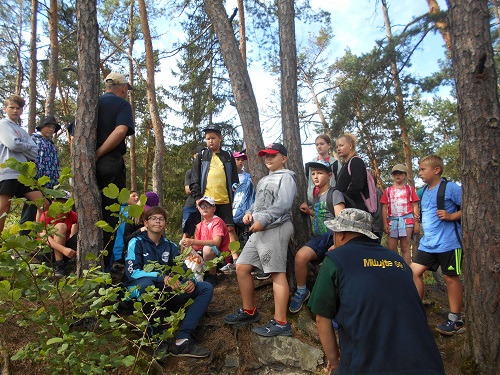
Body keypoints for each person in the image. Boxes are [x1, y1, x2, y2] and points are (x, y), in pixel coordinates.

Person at [308, 209, 445, 374]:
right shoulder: (398, 261)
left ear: (341, 234)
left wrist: (334, 360)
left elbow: (322, 318)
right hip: (428, 364)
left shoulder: (336, 259)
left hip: (367, 367)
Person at [224, 143, 296, 337]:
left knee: (276, 272)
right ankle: (249, 311)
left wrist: (262, 220)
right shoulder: (264, 179)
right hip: (260, 229)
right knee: (242, 266)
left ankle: (281, 323)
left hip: (277, 228)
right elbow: (258, 203)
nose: (269, 159)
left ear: (284, 158)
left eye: (273, 155)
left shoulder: (287, 177)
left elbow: (283, 204)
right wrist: (249, 213)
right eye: (266, 155)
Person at [123, 206, 212, 358]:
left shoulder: (170, 246)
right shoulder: (136, 242)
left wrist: (190, 280)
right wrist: (160, 277)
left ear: (165, 224)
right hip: (137, 292)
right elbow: (132, 272)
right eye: (153, 218)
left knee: (205, 287)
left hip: (165, 293)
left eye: (161, 219)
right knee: (146, 285)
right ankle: (157, 340)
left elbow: (183, 269)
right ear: (145, 223)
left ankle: (182, 340)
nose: (158, 221)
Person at [411, 155, 463, 336]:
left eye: (423, 169)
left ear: (436, 170)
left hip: (450, 243)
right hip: (428, 243)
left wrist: (451, 216)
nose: (420, 173)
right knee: (413, 271)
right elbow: (428, 211)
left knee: (450, 278)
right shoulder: (423, 192)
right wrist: (421, 217)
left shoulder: (451, 188)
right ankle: (415, 312)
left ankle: (455, 319)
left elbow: (469, 207)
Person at [289, 160, 345, 313]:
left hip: (331, 237)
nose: (315, 176)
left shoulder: (335, 193)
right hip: (318, 238)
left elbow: (341, 220)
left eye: (320, 173)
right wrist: (310, 212)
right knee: (300, 257)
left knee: (331, 276)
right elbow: (322, 214)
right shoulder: (316, 195)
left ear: (329, 175)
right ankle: (302, 290)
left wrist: (338, 244)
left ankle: (336, 309)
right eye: (313, 173)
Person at [97, 72, 135, 269]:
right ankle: (103, 267)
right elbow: (121, 131)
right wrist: (100, 153)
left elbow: (72, 132)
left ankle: (89, 266)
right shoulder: (122, 104)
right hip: (110, 163)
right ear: (122, 88)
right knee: (110, 216)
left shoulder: (91, 103)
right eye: (127, 89)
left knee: (90, 213)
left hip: (89, 166)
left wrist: (86, 159)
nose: (127, 93)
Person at [0, 95, 48, 233]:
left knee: (43, 204)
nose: (15, 111)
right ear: (5, 108)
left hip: (24, 174)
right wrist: (24, 146)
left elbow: (34, 152)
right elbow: (12, 144)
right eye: (11, 107)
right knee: (3, 209)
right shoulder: (3, 124)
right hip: (8, 171)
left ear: (22, 110)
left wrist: (22, 145)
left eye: (18, 108)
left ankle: (39, 241)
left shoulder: (21, 130)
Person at [189, 124, 239, 249]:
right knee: (208, 230)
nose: (210, 141)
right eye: (208, 138)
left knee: (230, 229)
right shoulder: (202, 156)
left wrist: (235, 198)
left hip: (225, 199)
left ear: (220, 138)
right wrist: (197, 198)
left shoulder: (227, 156)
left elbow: (234, 179)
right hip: (207, 201)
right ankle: (209, 259)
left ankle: (234, 258)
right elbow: (195, 178)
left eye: (213, 138)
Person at [20, 115, 61, 235]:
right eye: (48, 126)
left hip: (49, 185)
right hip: (35, 183)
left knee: (44, 213)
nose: (51, 129)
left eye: (53, 128)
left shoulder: (51, 144)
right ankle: (24, 240)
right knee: (30, 211)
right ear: (41, 127)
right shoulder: (33, 140)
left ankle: (40, 241)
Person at [181, 196, 230, 286]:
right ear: (199, 209)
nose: (205, 208)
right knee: (184, 245)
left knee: (208, 249)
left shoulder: (217, 221)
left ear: (214, 208)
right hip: (203, 254)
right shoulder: (200, 225)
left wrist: (193, 241)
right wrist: (188, 244)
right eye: (202, 206)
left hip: (220, 256)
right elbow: (197, 246)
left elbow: (216, 242)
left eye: (208, 206)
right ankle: (188, 272)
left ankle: (212, 275)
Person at [380, 164, 420, 265]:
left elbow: (415, 206)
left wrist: (416, 223)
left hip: (407, 221)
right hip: (392, 221)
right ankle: (394, 271)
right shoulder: (388, 191)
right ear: (392, 176)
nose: (398, 176)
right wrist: (385, 224)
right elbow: (384, 207)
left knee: (405, 247)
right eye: (395, 174)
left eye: (400, 173)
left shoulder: (410, 189)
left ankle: (406, 272)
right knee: (391, 248)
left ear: (405, 175)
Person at [39, 191, 78, 277]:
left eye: (62, 203)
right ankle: (59, 264)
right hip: (47, 251)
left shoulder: (71, 215)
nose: (59, 206)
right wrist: (63, 249)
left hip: (66, 250)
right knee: (61, 226)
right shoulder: (46, 215)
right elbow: (44, 237)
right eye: (56, 203)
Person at [228, 151, 255, 263]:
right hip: (231, 208)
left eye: (242, 160)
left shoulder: (248, 176)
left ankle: (247, 257)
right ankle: (233, 258)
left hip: (244, 209)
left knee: (245, 233)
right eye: (237, 159)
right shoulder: (228, 176)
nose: (240, 162)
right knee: (231, 231)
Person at [334, 133, 369, 211]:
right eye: (337, 147)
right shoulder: (345, 165)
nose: (338, 149)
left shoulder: (356, 161)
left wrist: (342, 198)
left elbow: (357, 185)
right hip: (347, 209)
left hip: (356, 209)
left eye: (341, 145)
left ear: (350, 146)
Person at [181, 145, 206, 242]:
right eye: (200, 154)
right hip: (191, 205)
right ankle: (183, 256)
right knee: (187, 233)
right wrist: (198, 190)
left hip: (206, 205)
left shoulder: (209, 171)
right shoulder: (190, 172)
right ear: (195, 156)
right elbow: (187, 189)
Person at [110, 190, 140, 266]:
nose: (136, 198)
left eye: (137, 196)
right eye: (133, 196)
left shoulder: (133, 212)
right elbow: (124, 231)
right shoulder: (124, 212)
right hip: (120, 249)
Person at [306, 134, 339, 203]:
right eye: (317, 145)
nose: (319, 147)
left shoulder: (335, 164)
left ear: (329, 145)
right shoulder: (310, 164)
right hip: (311, 202)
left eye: (322, 144)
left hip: (329, 202)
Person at [368, 169, 384, 242]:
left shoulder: (375, 192)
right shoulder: (377, 191)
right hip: (374, 226)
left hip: (374, 227)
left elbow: (378, 211)